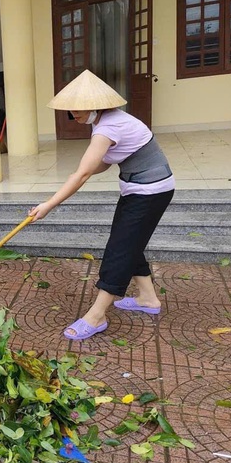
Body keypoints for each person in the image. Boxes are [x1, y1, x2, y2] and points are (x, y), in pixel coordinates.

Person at [29, 70, 175, 341]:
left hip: (150, 192)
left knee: (119, 249)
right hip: (139, 189)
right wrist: (77, 174)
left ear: (96, 106)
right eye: (70, 112)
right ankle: (148, 298)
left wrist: (50, 203)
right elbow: (105, 162)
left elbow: (84, 173)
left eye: (78, 111)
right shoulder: (106, 122)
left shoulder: (108, 126)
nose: (74, 116)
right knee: (127, 242)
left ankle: (96, 316)